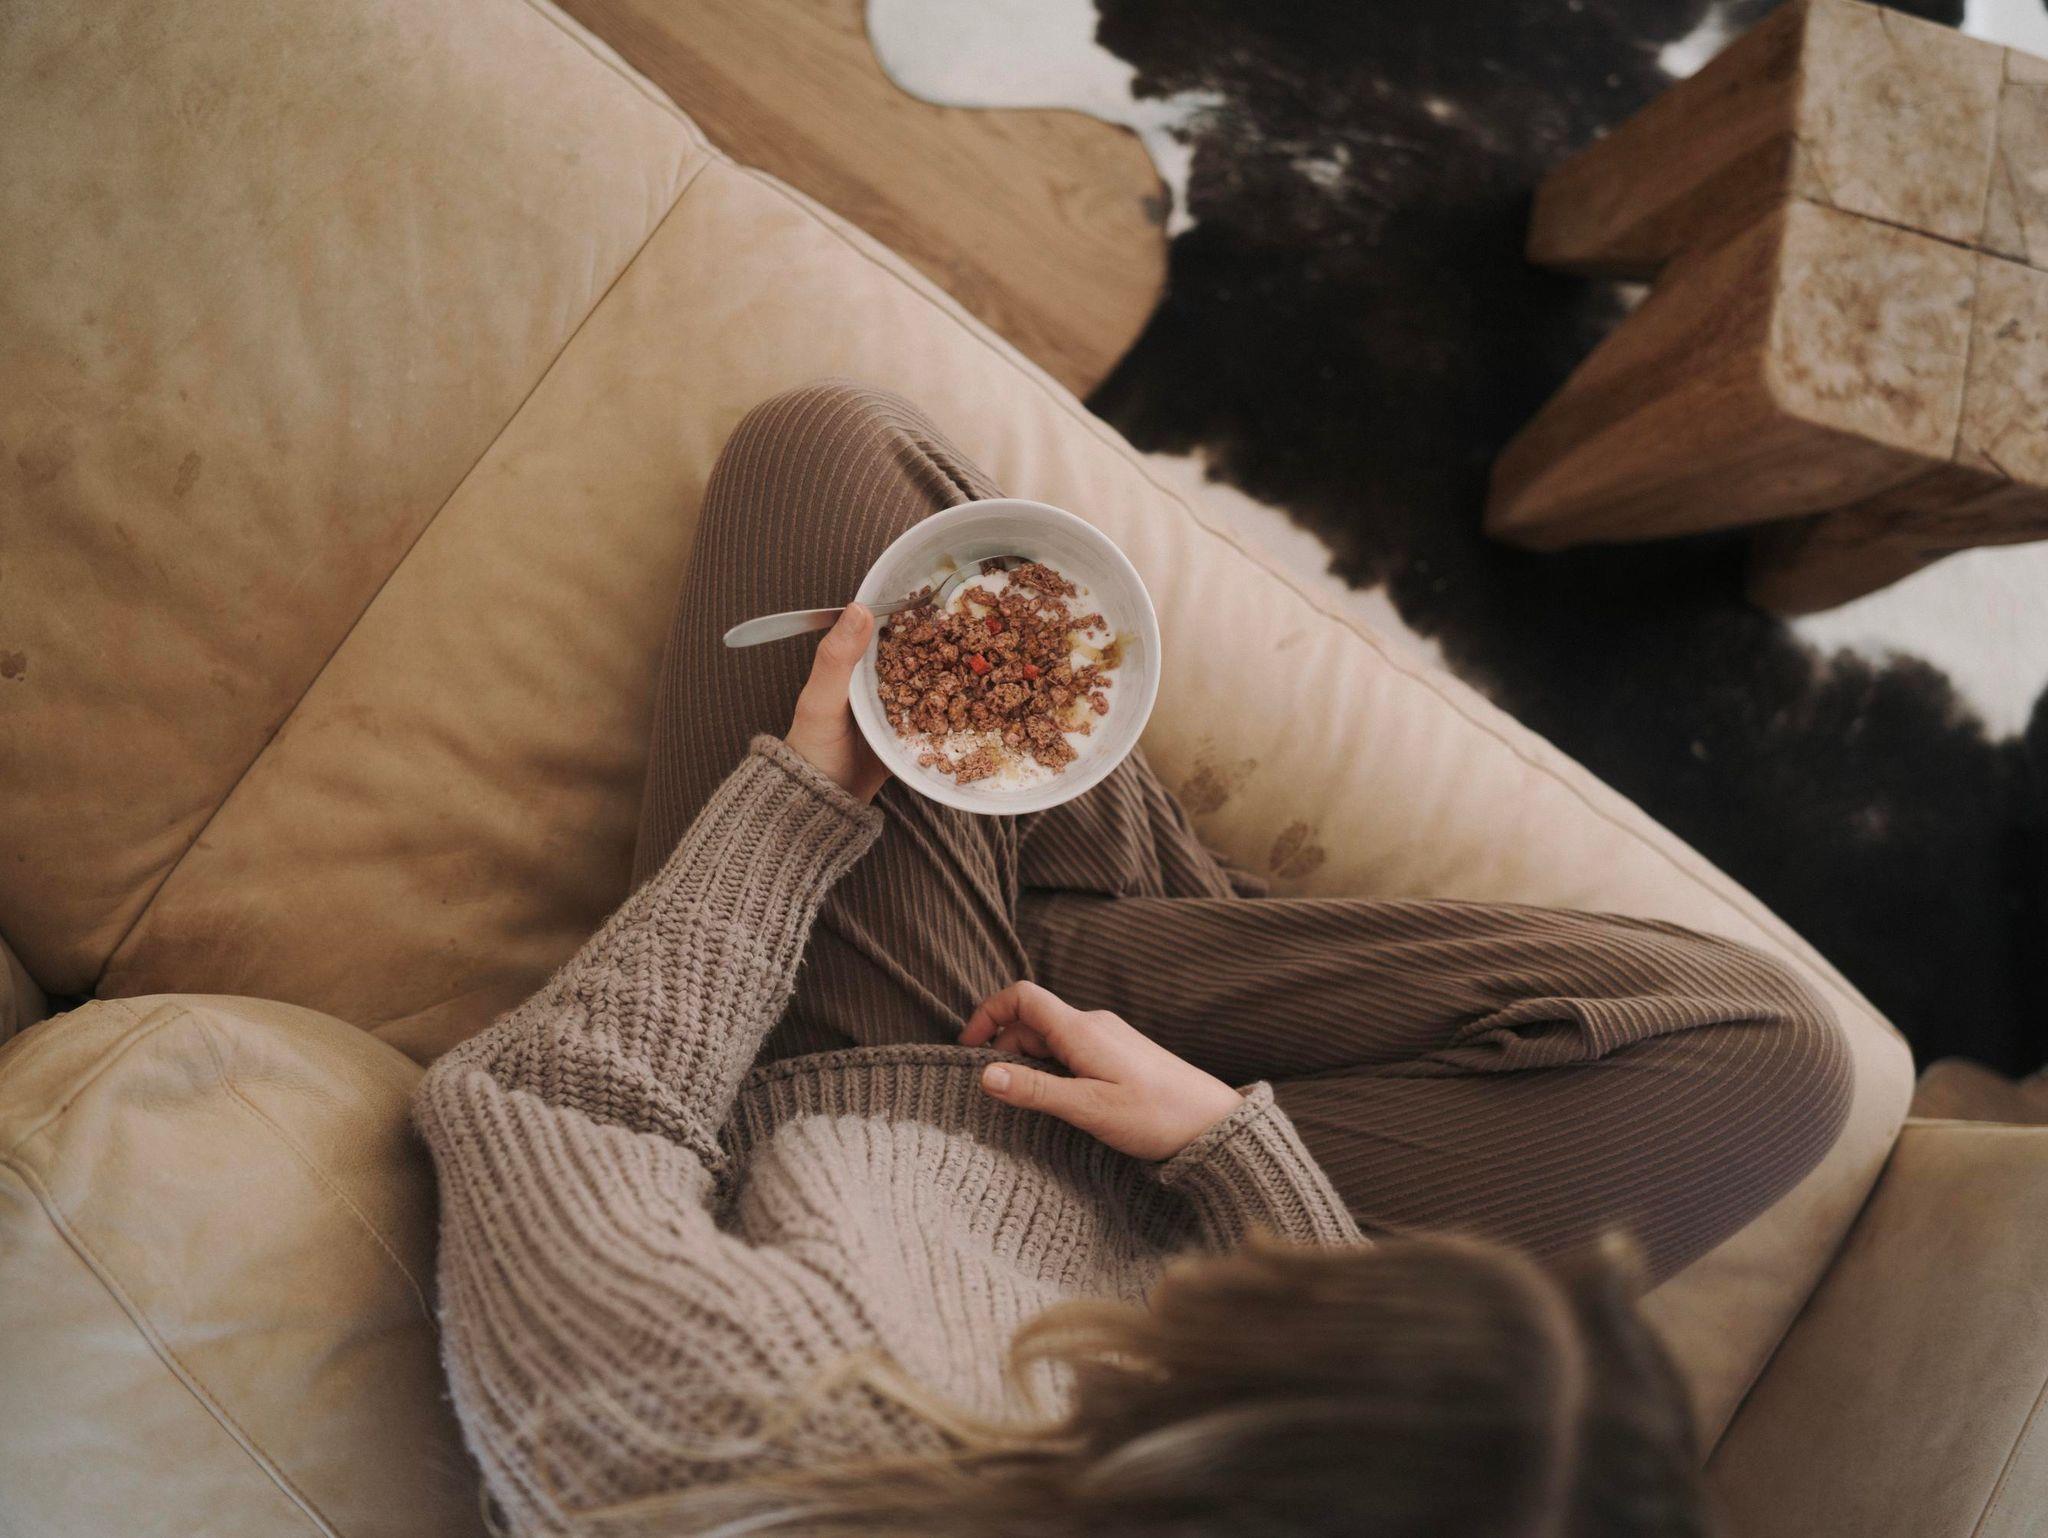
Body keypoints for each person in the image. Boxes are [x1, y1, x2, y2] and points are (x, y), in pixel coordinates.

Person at [414, 382, 1852, 1537]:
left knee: (836, 463)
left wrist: (798, 820)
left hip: (889, 1095)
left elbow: (551, 1103)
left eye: (1334, 1341)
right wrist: (1229, 1149)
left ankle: (1053, 913)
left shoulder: (736, 1433)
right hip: (1171, 1210)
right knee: (1774, 1056)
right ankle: (1089, 929)